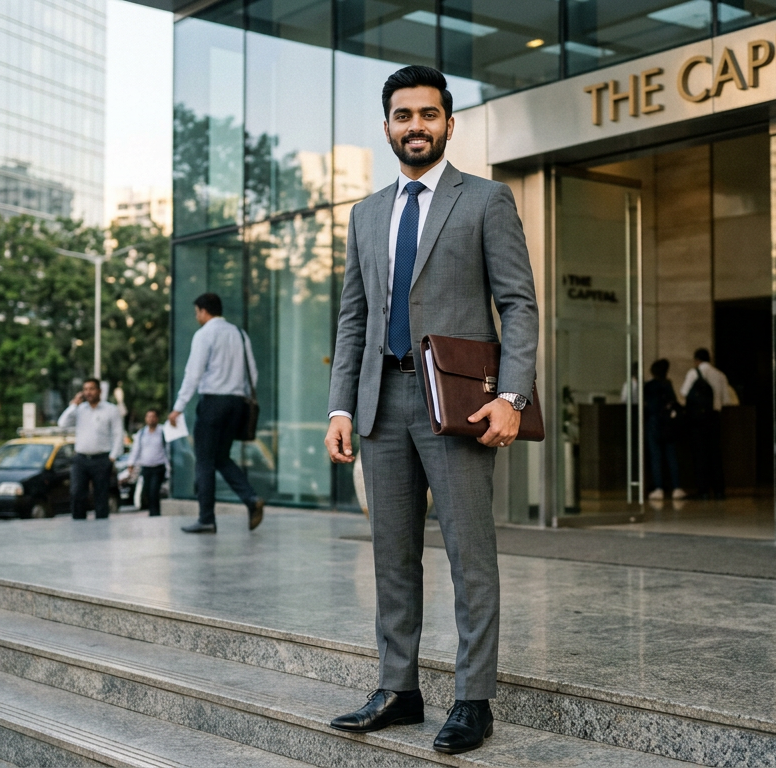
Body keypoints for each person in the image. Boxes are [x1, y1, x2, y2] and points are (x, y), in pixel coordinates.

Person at [323, 65, 537, 755]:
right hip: (380, 403)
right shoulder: (365, 214)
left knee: (470, 557)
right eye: (402, 115)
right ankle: (399, 688)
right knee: (392, 558)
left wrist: (511, 396)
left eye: (428, 114)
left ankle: (474, 700)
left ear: (450, 123)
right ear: (386, 126)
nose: (415, 125)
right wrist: (340, 409)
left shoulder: (486, 201)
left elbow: (518, 305)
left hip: (459, 406)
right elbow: (353, 318)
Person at [168, 293, 265, 534]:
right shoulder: (240, 334)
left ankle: (206, 518)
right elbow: (253, 374)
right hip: (236, 404)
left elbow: (193, 373)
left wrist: (178, 407)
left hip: (212, 403)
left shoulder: (204, 335)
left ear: (203, 311)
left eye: (197, 313)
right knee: (221, 457)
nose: (197, 317)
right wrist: (237, 392)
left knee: (204, 460)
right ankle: (251, 499)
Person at [58, 378, 124, 520]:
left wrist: (112, 457)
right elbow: (62, 424)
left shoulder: (110, 409)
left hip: (101, 458)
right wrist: (73, 405)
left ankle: (101, 529)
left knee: (101, 495)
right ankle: (78, 526)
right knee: (76, 492)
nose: (88, 392)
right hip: (81, 458)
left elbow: (118, 434)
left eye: (92, 389)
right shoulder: (79, 409)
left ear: (99, 391)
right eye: (85, 389)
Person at [680, 349, 737, 500]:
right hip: (714, 417)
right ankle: (719, 490)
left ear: (696, 360)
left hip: (698, 419)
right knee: (715, 454)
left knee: (700, 454)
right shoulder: (720, 375)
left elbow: (684, 392)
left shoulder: (694, 373)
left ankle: (703, 490)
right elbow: (726, 400)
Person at [643, 359, 684, 501]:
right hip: (668, 424)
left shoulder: (648, 386)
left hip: (654, 423)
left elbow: (646, 404)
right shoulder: (668, 384)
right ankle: (677, 487)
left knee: (656, 456)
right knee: (671, 456)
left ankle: (658, 487)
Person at [127, 408, 168, 517]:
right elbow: (136, 450)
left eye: (153, 416)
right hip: (146, 467)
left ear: (157, 418)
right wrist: (131, 463)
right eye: (148, 417)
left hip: (158, 466)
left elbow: (167, 450)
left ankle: (155, 514)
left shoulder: (162, 431)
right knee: (147, 491)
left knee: (154, 490)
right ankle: (151, 511)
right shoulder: (141, 433)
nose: (150, 419)